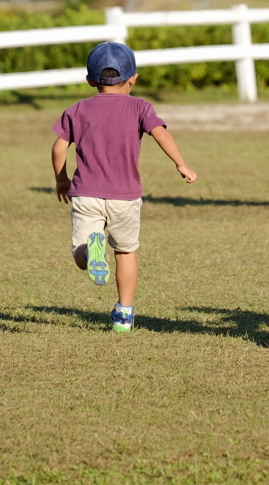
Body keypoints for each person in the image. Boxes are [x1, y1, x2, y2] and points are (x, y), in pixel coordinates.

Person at [51, 42, 197, 332]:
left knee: (81, 252)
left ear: (90, 80)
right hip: (125, 196)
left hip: (86, 193)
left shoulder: (76, 109)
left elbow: (58, 147)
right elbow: (160, 134)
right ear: (133, 78)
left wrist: (61, 179)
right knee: (125, 252)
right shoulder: (140, 106)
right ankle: (124, 313)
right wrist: (181, 164)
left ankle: (91, 254)